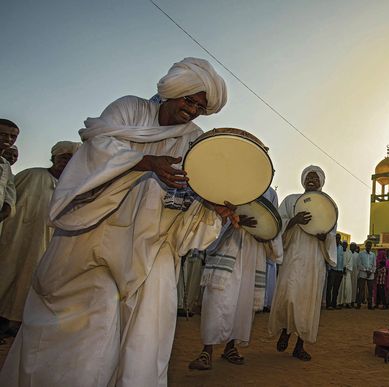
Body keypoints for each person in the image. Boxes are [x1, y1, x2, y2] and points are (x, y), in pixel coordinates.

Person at [0, 58, 230, 386]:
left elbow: (192, 194)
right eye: (188, 100)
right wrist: (142, 161)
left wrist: (213, 208)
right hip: (93, 236)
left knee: (146, 339)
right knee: (82, 335)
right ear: (172, 91)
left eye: (199, 106)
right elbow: (97, 150)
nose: (192, 110)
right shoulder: (129, 110)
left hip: (150, 245)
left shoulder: (194, 140)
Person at [189, 183, 283, 370]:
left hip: (252, 253)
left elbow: (273, 225)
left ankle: (230, 348)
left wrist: (264, 236)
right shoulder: (235, 179)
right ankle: (206, 350)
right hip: (228, 245)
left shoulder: (270, 193)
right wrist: (235, 221)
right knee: (216, 298)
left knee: (242, 302)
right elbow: (217, 213)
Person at [0, 141, 80, 334]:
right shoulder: (31, 175)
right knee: (5, 276)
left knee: (32, 282)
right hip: (15, 240)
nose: (66, 162)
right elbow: (7, 199)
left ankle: (15, 324)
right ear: (53, 158)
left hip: (46, 244)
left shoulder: (75, 188)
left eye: (71, 158)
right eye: (62, 157)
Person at [268, 166, 337, 361]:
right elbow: (277, 224)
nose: (311, 180)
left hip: (314, 261)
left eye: (315, 177)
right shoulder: (291, 200)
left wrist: (325, 238)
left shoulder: (327, 205)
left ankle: (300, 345)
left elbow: (331, 235)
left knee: (308, 303)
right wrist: (294, 220)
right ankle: (286, 331)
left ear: (321, 181)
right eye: (308, 177)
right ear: (303, 180)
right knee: (289, 296)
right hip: (294, 257)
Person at [0, 119, 18, 228]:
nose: (8, 139)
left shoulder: (5, 165)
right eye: (3, 134)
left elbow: (10, 190)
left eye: (13, 136)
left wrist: (6, 211)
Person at [326, 234, 345, 310]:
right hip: (332, 270)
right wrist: (329, 268)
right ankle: (328, 304)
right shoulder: (331, 247)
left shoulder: (341, 248)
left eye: (339, 238)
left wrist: (342, 269)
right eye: (337, 238)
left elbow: (342, 259)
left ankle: (334, 304)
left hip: (339, 271)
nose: (338, 239)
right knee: (329, 288)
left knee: (336, 289)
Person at [355, 241, 376, 309]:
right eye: (368, 245)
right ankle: (359, 304)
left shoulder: (373, 255)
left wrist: (371, 271)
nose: (369, 247)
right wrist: (365, 270)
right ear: (365, 245)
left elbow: (374, 265)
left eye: (370, 245)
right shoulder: (361, 254)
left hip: (371, 275)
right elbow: (359, 264)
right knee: (361, 289)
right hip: (362, 274)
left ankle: (369, 305)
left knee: (370, 290)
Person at [338, 242, 357, 308]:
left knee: (348, 288)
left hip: (347, 272)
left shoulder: (349, 253)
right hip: (340, 272)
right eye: (343, 244)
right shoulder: (339, 251)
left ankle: (347, 302)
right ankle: (340, 302)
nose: (344, 246)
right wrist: (341, 268)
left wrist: (346, 268)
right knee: (340, 287)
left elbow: (350, 262)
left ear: (347, 245)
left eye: (345, 245)